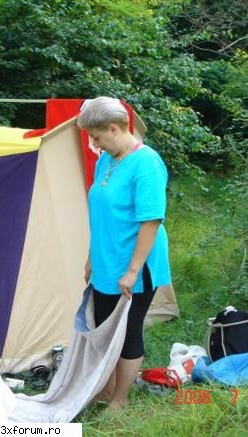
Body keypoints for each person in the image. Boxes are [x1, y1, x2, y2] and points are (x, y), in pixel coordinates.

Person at [76, 97, 171, 410]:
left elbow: (151, 221)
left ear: (114, 128)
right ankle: (105, 389)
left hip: (135, 265)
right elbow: (101, 213)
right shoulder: (106, 160)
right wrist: (92, 256)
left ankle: (120, 400)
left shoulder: (147, 163)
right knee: (104, 328)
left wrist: (132, 270)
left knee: (128, 331)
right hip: (106, 259)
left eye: (96, 137)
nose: (94, 143)